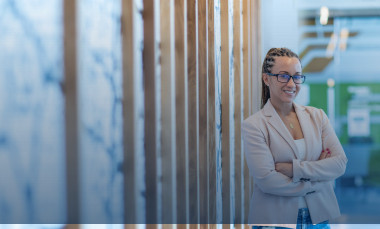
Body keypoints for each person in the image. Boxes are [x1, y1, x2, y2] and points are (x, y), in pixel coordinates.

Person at [242, 47, 348, 229]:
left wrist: (294, 169)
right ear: (266, 78)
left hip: (318, 219)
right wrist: (314, 184)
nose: (291, 84)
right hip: (275, 221)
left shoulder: (317, 116)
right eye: (283, 76)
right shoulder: (254, 125)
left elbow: (339, 164)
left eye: (297, 76)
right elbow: (267, 180)